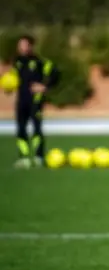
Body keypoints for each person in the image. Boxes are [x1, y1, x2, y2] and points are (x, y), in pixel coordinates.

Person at [8, 34, 59, 169]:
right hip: (21, 100)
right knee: (20, 128)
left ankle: (38, 157)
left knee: (36, 128)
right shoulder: (17, 62)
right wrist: (8, 86)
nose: (22, 48)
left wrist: (44, 86)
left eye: (25, 45)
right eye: (20, 45)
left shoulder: (39, 62)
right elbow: (12, 79)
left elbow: (55, 73)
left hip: (35, 100)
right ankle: (24, 157)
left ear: (31, 46)